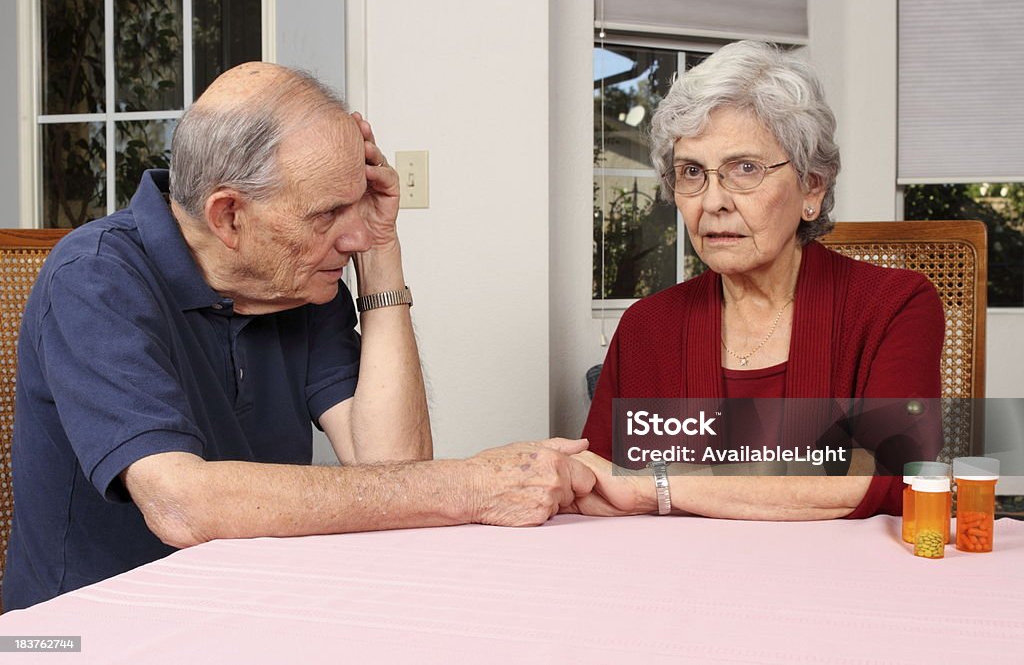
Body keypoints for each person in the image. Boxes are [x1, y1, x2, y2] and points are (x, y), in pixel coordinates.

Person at [3, 63, 595, 611]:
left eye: (359, 205)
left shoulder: (298, 282)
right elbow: (182, 504)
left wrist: (383, 249)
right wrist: (468, 485)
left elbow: (392, 466)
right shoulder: (95, 278)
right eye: (327, 214)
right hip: (91, 629)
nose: (355, 237)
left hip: (251, 608)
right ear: (229, 216)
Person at [573, 41, 944, 520]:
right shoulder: (647, 325)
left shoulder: (895, 305)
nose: (712, 202)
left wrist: (656, 487)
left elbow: (894, 479)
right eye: (691, 172)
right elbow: (598, 484)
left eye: (744, 169)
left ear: (812, 186)